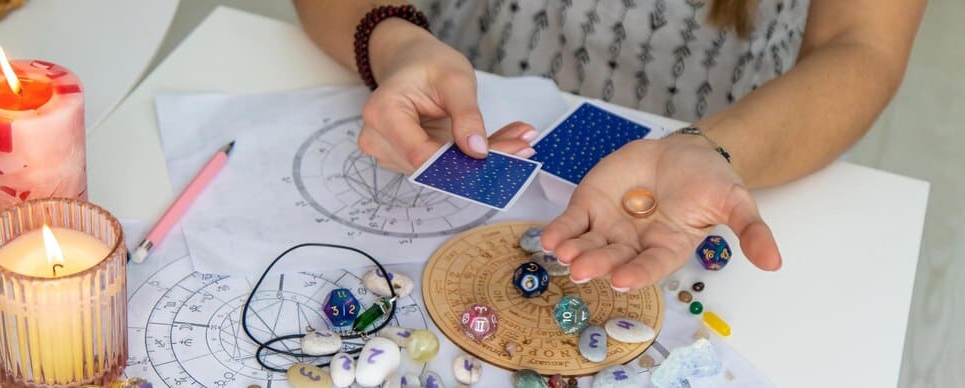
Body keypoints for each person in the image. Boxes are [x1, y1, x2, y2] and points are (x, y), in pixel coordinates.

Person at [293, 0, 925, 292]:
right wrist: (398, 46)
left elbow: (862, 43)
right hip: (476, 76)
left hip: (743, 115)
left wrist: (713, 148)